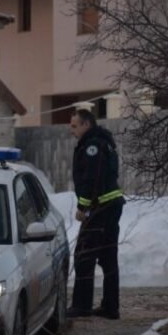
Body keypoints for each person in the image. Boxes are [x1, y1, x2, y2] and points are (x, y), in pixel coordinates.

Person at [67, 109, 124, 320]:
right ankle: (111, 307)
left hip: (100, 207)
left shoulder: (92, 146)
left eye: (75, 126)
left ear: (86, 125)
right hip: (110, 205)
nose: (72, 131)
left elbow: (91, 179)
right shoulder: (103, 142)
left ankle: (81, 306)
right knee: (108, 257)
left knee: (84, 255)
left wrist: (83, 207)